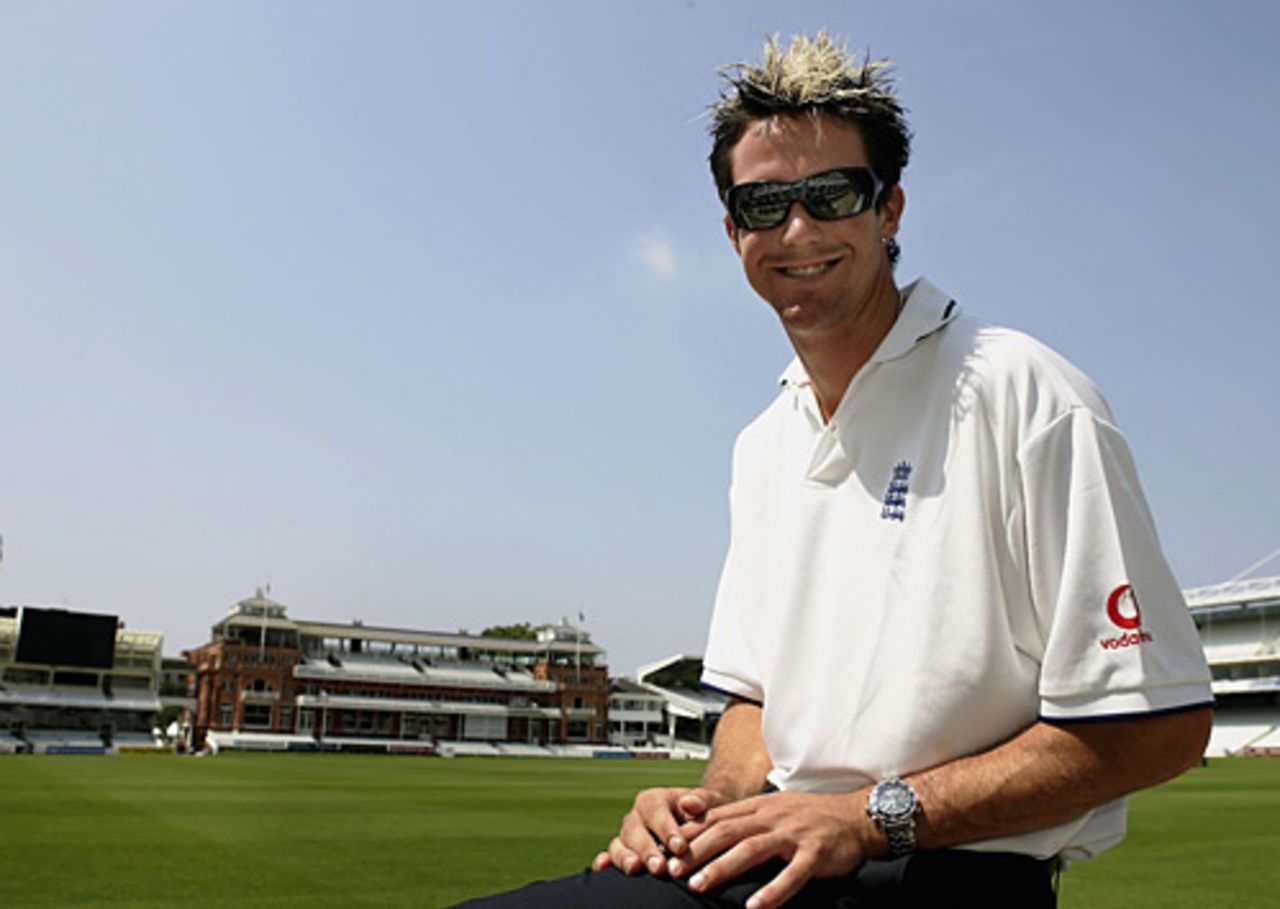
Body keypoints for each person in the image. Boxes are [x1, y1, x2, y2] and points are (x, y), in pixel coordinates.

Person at [450, 32, 1213, 909]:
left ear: (888, 210)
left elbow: (1158, 723)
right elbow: (753, 706)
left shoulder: (1026, 393)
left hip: (948, 875)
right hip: (784, 863)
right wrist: (705, 808)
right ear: (734, 231)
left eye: (831, 195)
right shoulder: (763, 440)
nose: (798, 230)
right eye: (765, 204)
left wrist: (868, 817)